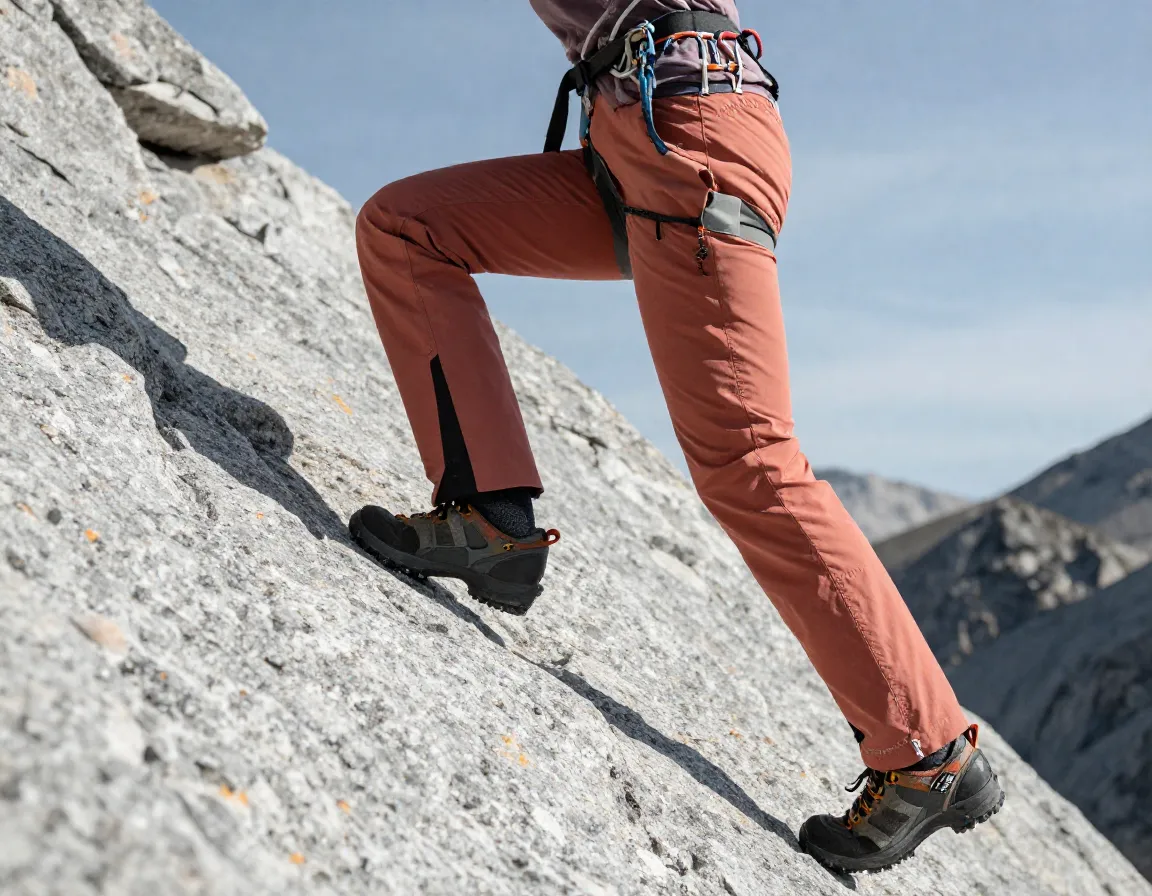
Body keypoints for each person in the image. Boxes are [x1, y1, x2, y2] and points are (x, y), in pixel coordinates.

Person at [351, 0, 1004, 874]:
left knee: (750, 462)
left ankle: (927, 752)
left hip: (685, 129)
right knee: (407, 228)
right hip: (629, 137)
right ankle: (488, 520)